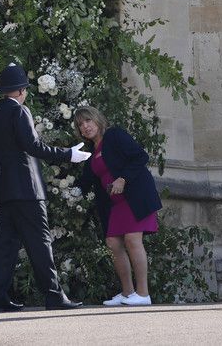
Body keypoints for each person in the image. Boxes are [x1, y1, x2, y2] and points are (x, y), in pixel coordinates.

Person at [0, 63, 90, 312]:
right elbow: (33, 146)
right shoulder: (20, 111)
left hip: (4, 191)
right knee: (40, 243)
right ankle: (53, 295)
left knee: (6, 247)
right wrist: (68, 154)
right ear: (21, 91)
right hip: (26, 190)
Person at [74, 105, 162, 307]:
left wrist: (123, 178)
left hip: (136, 197)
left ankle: (143, 294)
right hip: (115, 205)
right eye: (80, 125)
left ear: (97, 119)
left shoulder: (114, 135)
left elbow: (141, 156)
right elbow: (85, 182)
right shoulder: (91, 152)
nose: (85, 126)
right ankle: (127, 292)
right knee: (113, 244)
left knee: (132, 239)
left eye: (88, 120)